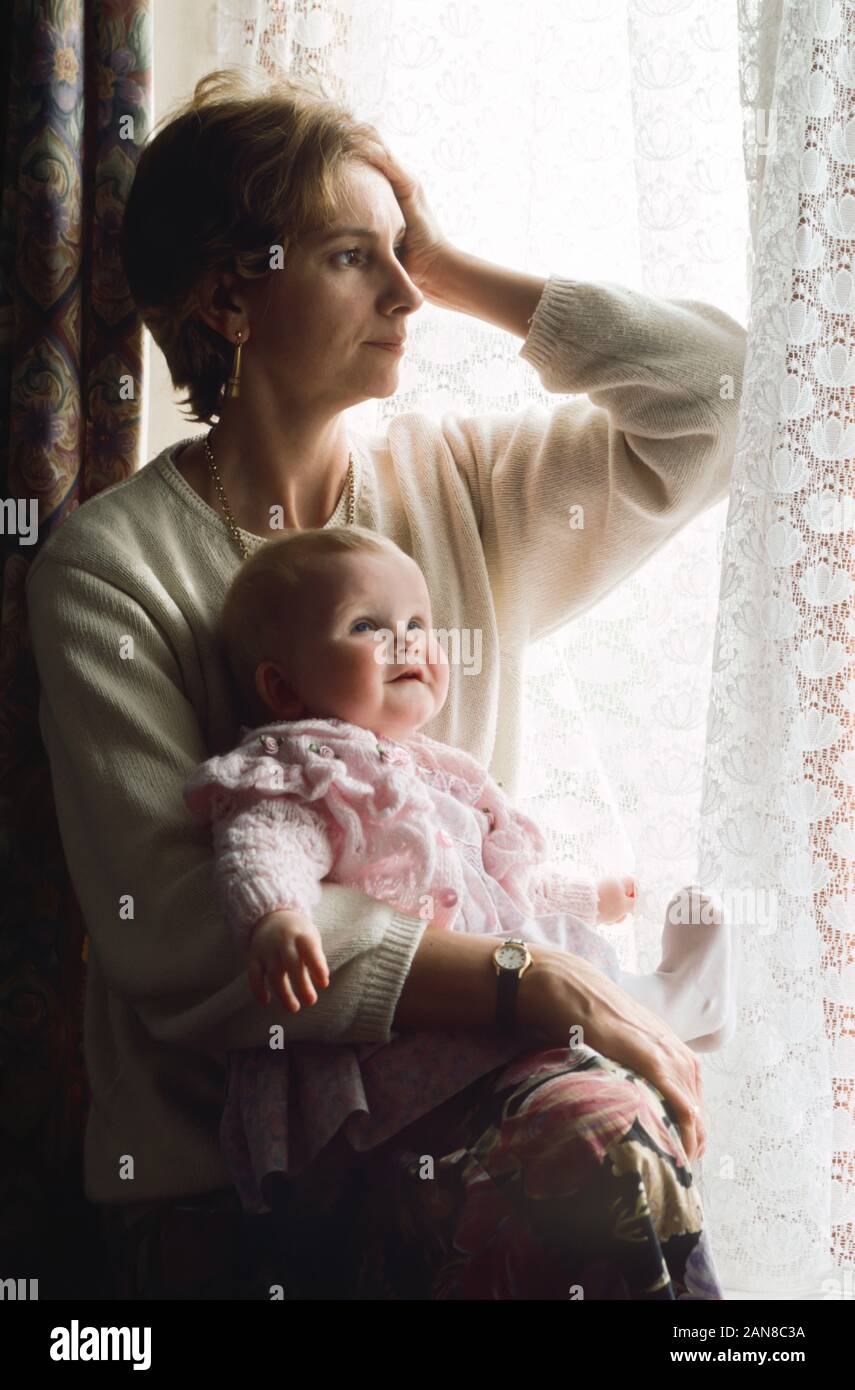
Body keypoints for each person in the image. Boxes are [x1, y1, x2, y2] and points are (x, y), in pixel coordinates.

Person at [24, 64, 745, 1299]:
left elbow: (724, 397)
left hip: (479, 1099)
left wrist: (456, 271)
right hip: (233, 1179)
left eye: (404, 254)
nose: (407, 292)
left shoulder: (460, 490)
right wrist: (532, 980)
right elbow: (182, 933)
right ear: (229, 298)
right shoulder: (109, 569)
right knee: (598, 1147)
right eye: (357, 257)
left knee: (606, 1150)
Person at [180, 524, 734, 1214]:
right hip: (416, 1021)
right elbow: (265, 839)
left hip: (489, 993)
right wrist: (277, 915)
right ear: (284, 690)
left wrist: (587, 898)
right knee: (560, 1031)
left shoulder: (435, 773)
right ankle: (677, 1003)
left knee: (575, 969)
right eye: (366, 626)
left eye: (417, 623)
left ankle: (675, 999)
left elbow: (498, 881)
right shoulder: (304, 765)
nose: (407, 642)